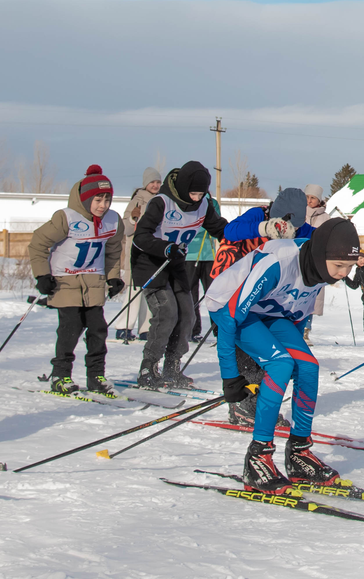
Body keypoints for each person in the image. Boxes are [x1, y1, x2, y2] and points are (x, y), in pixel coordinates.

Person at [205, 219, 360, 493]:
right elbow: (229, 318)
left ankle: (299, 452)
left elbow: (297, 319)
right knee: (280, 364)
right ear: (321, 254)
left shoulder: (319, 271)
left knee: (308, 367)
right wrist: (230, 377)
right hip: (229, 305)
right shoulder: (278, 261)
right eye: (339, 267)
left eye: (348, 268)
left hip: (270, 310)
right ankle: (258, 456)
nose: (342, 274)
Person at [29, 165, 124, 397]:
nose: (103, 205)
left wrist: (113, 277)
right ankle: (61, 375)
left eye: (107, 199)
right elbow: (38, 243)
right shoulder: (66, 218)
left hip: (93, 281)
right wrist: (42, 275)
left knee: (98, 330)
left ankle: (96, 376)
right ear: (85, 198)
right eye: (98, 199)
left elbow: (112, 251)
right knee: (70, 329)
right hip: (64, 281)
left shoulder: (113, 221)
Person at [213, 187, 305, 424]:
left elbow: (314, 235)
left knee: (265, 357)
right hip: (230, 292)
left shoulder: (300, 228)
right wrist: (264, 228)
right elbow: (230, 231)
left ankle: (257, 406)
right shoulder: (258, 214)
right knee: (246, 353)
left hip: (262, 300)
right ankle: (243, 407)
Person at [130, 162, 226, 389]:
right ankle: (149, 367)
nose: (196, 198)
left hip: (176, 265)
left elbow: (220, 228)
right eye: (193, 193)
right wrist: (165, 247)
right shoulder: (161, 203)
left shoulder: (204, 205)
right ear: (183, 187)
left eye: (201, 193)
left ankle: (172, 366)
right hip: (152, 265)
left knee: (187, 315)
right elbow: (140, 236)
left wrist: (252, 233)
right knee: (167, 313)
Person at [117, 167, 163, 340]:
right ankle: (124, 326)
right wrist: (132, 218)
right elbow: (126, 228)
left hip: (153, 250)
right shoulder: (138, 200)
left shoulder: (162, 200)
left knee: (149, 290)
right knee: (134, 291)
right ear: (146, 183)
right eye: (152, 182)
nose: (155, 185)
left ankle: (146, 328)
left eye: (158, 182)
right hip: (137, 250)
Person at [302, 184, 331, 338]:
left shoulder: (325, 217)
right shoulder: (299, 213)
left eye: (312, 198)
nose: (309, 200)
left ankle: (306, 329)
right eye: (307, 197)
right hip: (299, 258)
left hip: (315, 261)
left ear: (319, 200)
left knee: (312, 295)